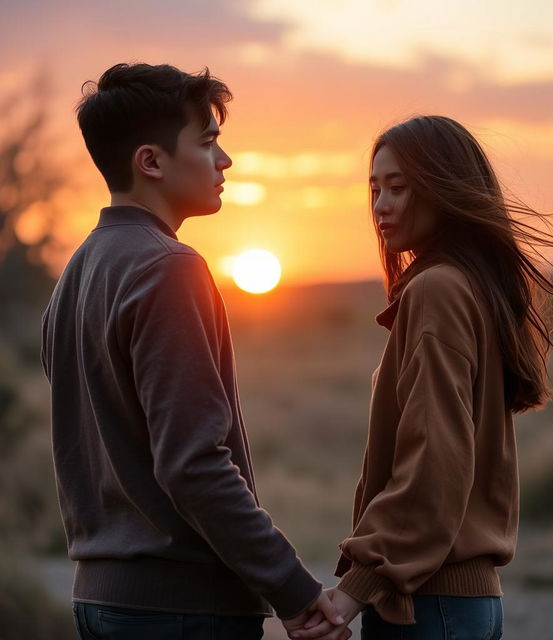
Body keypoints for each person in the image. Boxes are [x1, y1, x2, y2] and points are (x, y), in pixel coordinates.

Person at [40, 62, 347, 640]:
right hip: (180, 611)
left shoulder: (77, 272)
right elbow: (194, 465)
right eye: (207, 142)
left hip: (101, 601)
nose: (224, 161)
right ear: (151, 161)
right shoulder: (169, 268)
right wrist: (295, 591)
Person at [289, 115, 553, 640]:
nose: (381, 204)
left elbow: (435, 464)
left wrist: (355, 590)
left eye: (398, 188)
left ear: (444, 188)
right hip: (463, 603)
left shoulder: (439, 290)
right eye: (375, 188)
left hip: (431, 605)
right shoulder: (471, 285)